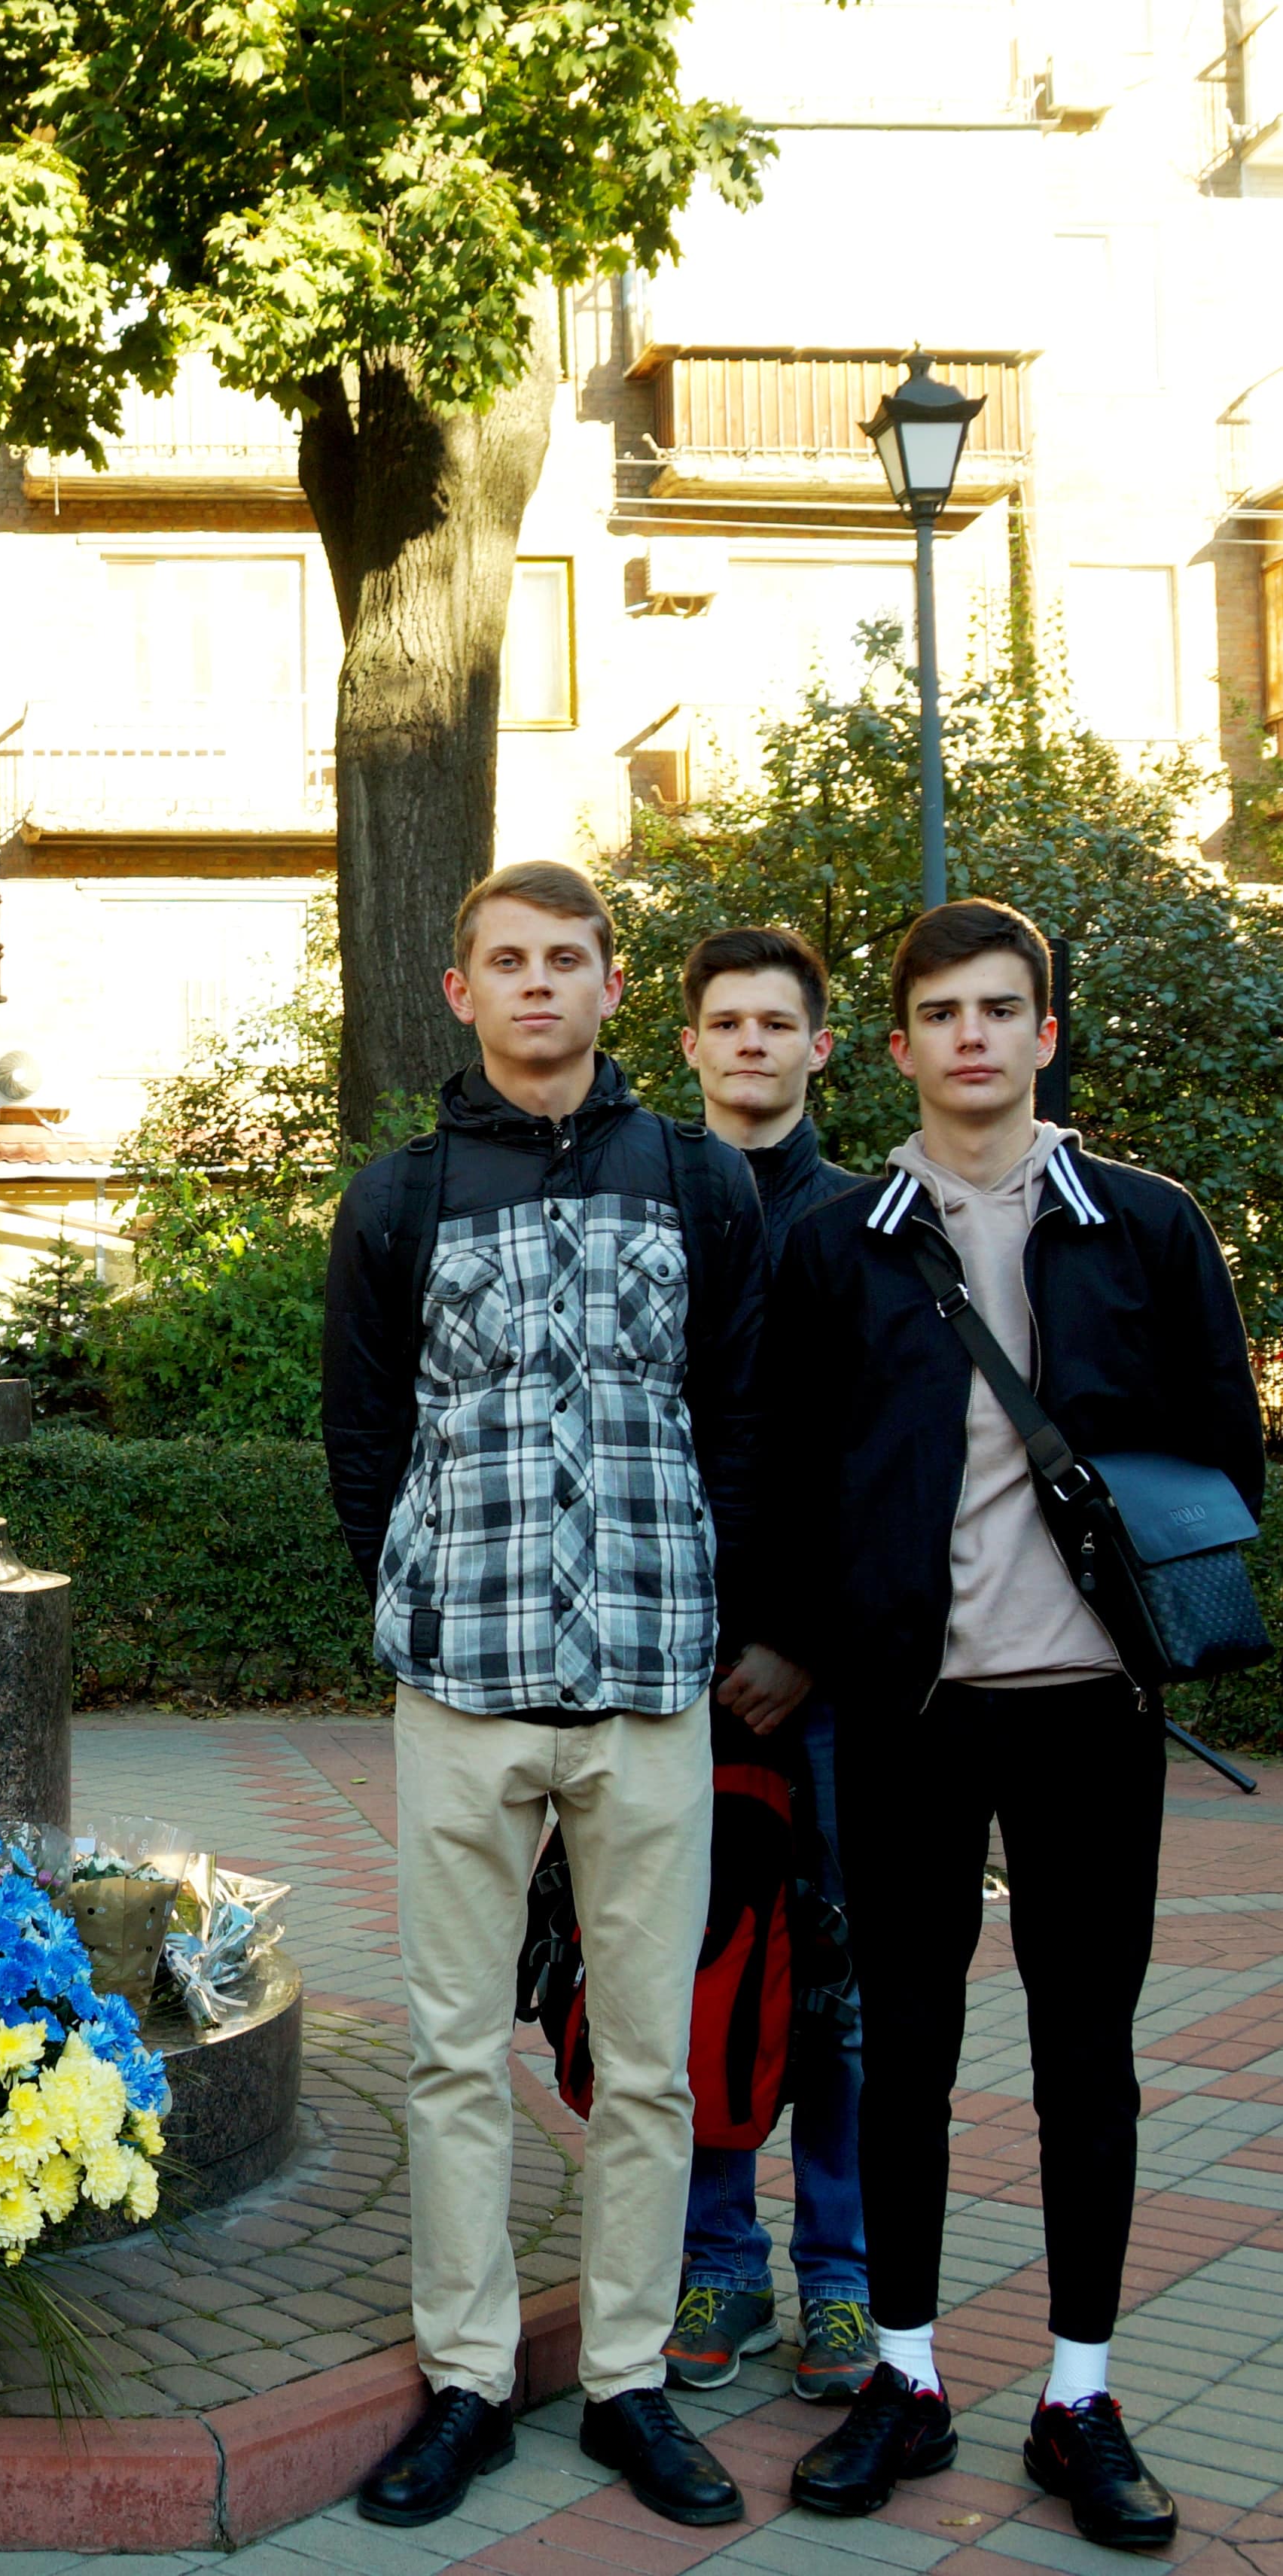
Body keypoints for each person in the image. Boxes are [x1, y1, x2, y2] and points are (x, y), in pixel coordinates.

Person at [765, 902, 1261, 2549]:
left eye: (997, 1009)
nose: (968, 1035)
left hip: (1088, 1712)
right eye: (938, 1012)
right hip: (909, 1712)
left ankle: (1076, 2398)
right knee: (902, 2045)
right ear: (895, 1045)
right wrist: (833, 1635)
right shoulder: (835, 1241)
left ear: (1043, 1034)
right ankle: (902, 2379)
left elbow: (1220, 1457)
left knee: (1083, 2056)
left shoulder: (1144, 1223)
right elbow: (789, 1468)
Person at [323, 862, 782, 2532]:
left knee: (646, 2066)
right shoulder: (398, 1197)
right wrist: (417, 1595)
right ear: (459, 992)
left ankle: (625, 2380)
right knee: (454, 2053)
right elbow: (361, 1434)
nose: (535, 984)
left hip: (651, 1689)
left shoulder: (695, 1181)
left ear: (607, 984)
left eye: (564, 959)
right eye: (504, 961)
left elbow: (736, 1414)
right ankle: (462, 2378)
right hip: (463, 1687)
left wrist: (708, 1607)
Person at [660, 926, 876, 2404]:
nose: (749, 1042)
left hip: (827, 1681)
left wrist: (799, 1637)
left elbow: (887, 1458)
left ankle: (841, 2278)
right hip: (671, 1676)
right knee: (697, 1972)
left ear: (817, 1047)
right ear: (687, 1044)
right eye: (725, 1021)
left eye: (774, 1022)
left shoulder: (868, 1223)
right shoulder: (644, 1207)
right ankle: (715, 2260)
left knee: (839, 1982)